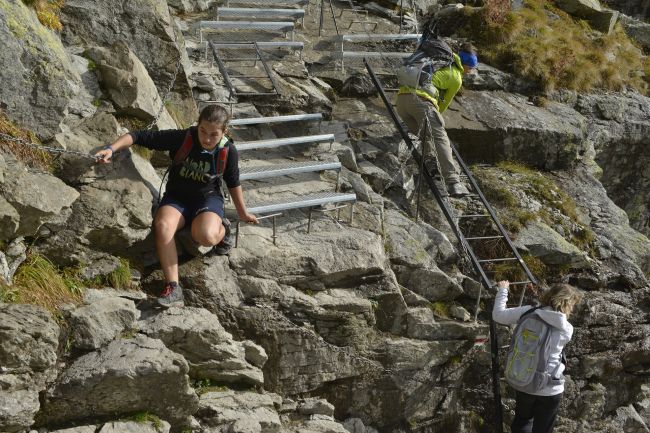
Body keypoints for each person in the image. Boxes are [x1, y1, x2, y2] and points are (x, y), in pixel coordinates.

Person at [95, 104, 258, 308]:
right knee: (163, 226)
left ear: (224, 132)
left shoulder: (228, 151)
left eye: (213, 134)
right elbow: (138, 136)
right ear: (197, 125)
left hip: (207, 198)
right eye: (203, 131)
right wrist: (110, 149)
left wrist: (243, 213)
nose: (206, 139)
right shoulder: (183, 138)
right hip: (177, 198)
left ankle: (223, 231)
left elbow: (233, 182)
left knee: (205, 236)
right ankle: (173, 287)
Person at [493, 280, 584, 433]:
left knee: (522, 422)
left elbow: (498, 315)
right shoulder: (567, 328)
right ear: (567, 303)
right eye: (572, 305)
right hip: (550, 387)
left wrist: (503, 290)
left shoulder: (529, 312)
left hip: (525, 378)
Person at [395, 45, 478, 197]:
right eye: (471, 68)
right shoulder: (456, 76)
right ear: (465, 65)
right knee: (439, 136)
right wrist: (436, 117)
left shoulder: (436, 62)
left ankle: (431, 162)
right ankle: (454, 182)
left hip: (401, 102)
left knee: (426, 134)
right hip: (421, 102)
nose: (470, 71)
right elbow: (444, 103)